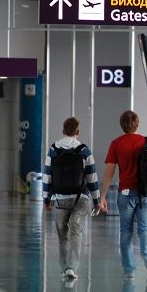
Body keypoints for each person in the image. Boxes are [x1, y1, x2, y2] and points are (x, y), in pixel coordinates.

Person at [99, 110, 147, 279]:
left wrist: (102, 196)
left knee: (125, 231)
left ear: (122, 125)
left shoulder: (116, 143)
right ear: (137, 124)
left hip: (125, 193)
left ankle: (129, 269)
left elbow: (109, 172)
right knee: (145, 228)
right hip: (146, 193)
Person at [43, 117, 100, 280]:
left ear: (63, 131)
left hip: (60, 199)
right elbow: (92, 178)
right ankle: (72, 268)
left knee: (63, 235)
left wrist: (46, 199)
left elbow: (47, 176)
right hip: (80, 198)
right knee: (76, 231)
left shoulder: (53, 149)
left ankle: (64, 268)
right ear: (77, 132)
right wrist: (96, 201)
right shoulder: (84, 150)